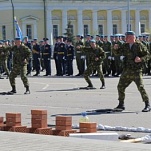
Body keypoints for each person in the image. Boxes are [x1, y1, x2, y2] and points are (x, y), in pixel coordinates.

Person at [113, 31, 150, 112]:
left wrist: (141, 59)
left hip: (136, 70)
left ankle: (147, 105)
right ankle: (121, 104)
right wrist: (115, 49)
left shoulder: (139, 45)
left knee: (140, 87)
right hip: (127, 70)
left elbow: (147, 55)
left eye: (126, 37)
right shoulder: (125, 45)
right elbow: (117, 53)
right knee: (120, 86)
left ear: (131, 37)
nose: (125, 38)